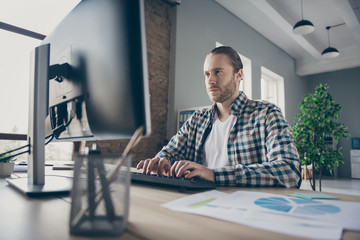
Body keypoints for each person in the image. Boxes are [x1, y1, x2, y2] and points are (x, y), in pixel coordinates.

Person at [137, 46, 301, 188]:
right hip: (198, 205)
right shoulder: (196, 120)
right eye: (207, 74)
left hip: (247, 211)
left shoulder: (267, 114)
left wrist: (213, 174)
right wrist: (160, 161)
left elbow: (290, 171)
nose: (211, 80)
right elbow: (170, 153)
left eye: (218, 72)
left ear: (238, 75)